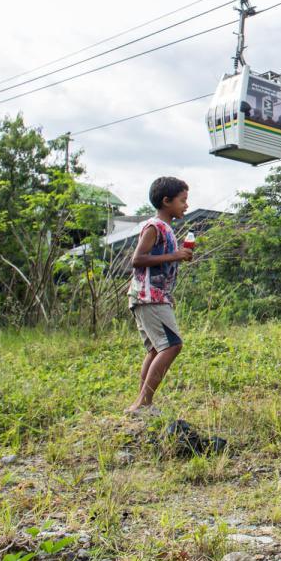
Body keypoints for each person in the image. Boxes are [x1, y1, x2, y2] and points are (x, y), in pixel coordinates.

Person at [125, 176, 193, 416]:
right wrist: (175, 255)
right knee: (172, 346)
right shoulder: (155, 226)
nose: (186, 205)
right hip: (149, 297)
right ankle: (143, 404)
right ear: (166, 201)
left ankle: (141, 404)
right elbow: (138, 259)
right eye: (182, 200)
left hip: (152, 296)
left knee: (155, 349)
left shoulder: (166, 228)